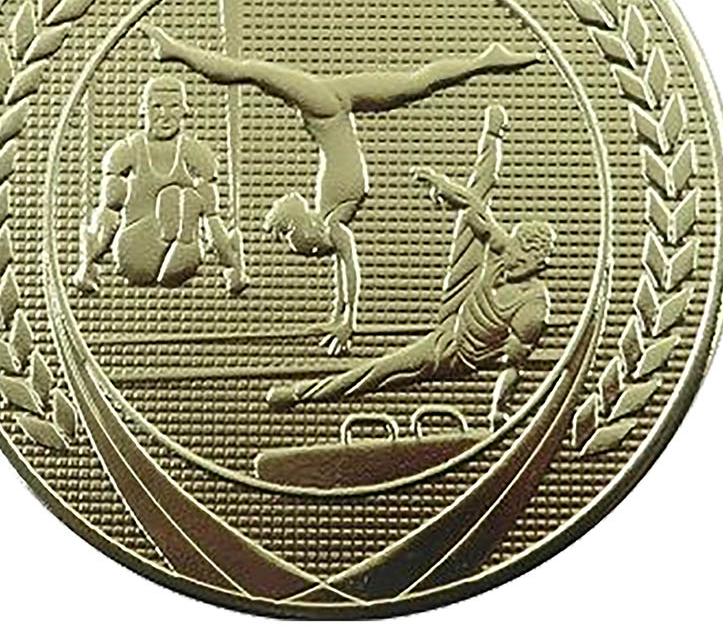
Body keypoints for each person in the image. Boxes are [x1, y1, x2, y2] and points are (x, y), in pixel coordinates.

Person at [144, 23, 538, 354]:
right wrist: (343, 316)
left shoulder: (332, 223)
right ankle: (485, 60)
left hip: (327, 107)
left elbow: (346, 272)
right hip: (334, 105)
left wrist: (346, 318)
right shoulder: (335, 223)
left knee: (246, 71)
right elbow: (346, 270)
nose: (300, 245)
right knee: (415, 84)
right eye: (293, 240)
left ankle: (174, 50)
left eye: (291, 237)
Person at [265, 161, 555, 428]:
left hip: (458, 357)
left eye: (522, 262)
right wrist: (441, 183)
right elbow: (473, 205)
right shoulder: (506, 250)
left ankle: (298, 394)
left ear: (538, 265)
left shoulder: (533, 306)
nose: (512, 261)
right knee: (379, 370)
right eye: (513, 252)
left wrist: (498, 409)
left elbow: (512, 365)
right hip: (452, 325)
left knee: (379, 373)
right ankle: (299, 393)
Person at [73, 75, 246, 293]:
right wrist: (88, 263)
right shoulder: (126, 153)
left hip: (180, 259)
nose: (165, 115)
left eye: (173, 106)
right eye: (157, 107)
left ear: (184, 110)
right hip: (135, 251)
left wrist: (233, 265)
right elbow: (109, 211)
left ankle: (180, 236)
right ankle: (177, 229)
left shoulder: (196, 155)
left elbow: (212, 217)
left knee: (187, 200)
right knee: (179, 198)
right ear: (144, 109)